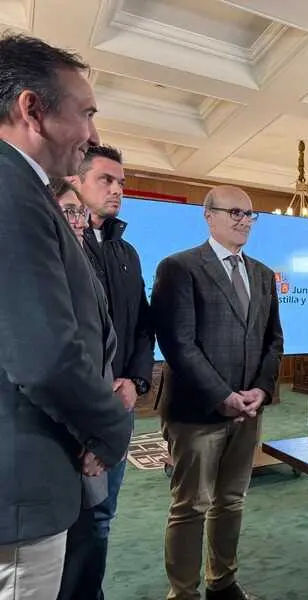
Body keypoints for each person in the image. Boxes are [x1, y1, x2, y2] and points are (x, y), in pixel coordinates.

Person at [0, 33, 132, 599]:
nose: (95, 136)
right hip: (21, 489)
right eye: (86, 113)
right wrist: (112, 427)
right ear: (32, 109)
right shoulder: (12, 189)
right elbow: (47, 356)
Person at [151, 185, 284, 600]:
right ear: (208, 216)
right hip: (197, 412)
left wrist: (261, 389)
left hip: (249, 411)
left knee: (231, 501)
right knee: (191, 506)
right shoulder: (179, 267)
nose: (244, 220)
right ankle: (184, 593)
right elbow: (178, 343)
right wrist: (223, 395)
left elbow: (273, 340)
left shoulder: (263, 273)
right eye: (234, 212)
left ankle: (223, 582)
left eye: (250, 214)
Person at [58, 144, 155, 599]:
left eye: (121, 182)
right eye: (106, 180)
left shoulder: (128, 252)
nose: (117, 190)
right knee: (67, 522)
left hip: (122, 404)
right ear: (76, 180)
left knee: (100, 517)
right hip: (76, 406)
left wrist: (134, 383)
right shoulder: (59, 242)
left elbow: (141, 325)